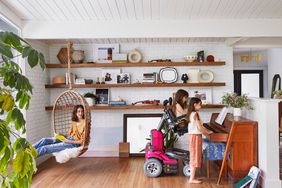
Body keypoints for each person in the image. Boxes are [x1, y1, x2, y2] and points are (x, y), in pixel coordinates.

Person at [187, 97, 213, 184]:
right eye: (200, 104)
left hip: (192, 136)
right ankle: (192, 179)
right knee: (195, 156)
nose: (201, 106)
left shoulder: (190, 113)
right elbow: (200, 128)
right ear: (195, 104)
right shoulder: (195, 114)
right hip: (196, 137)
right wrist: (208, 132)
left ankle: (192, 177)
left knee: (193, 155)